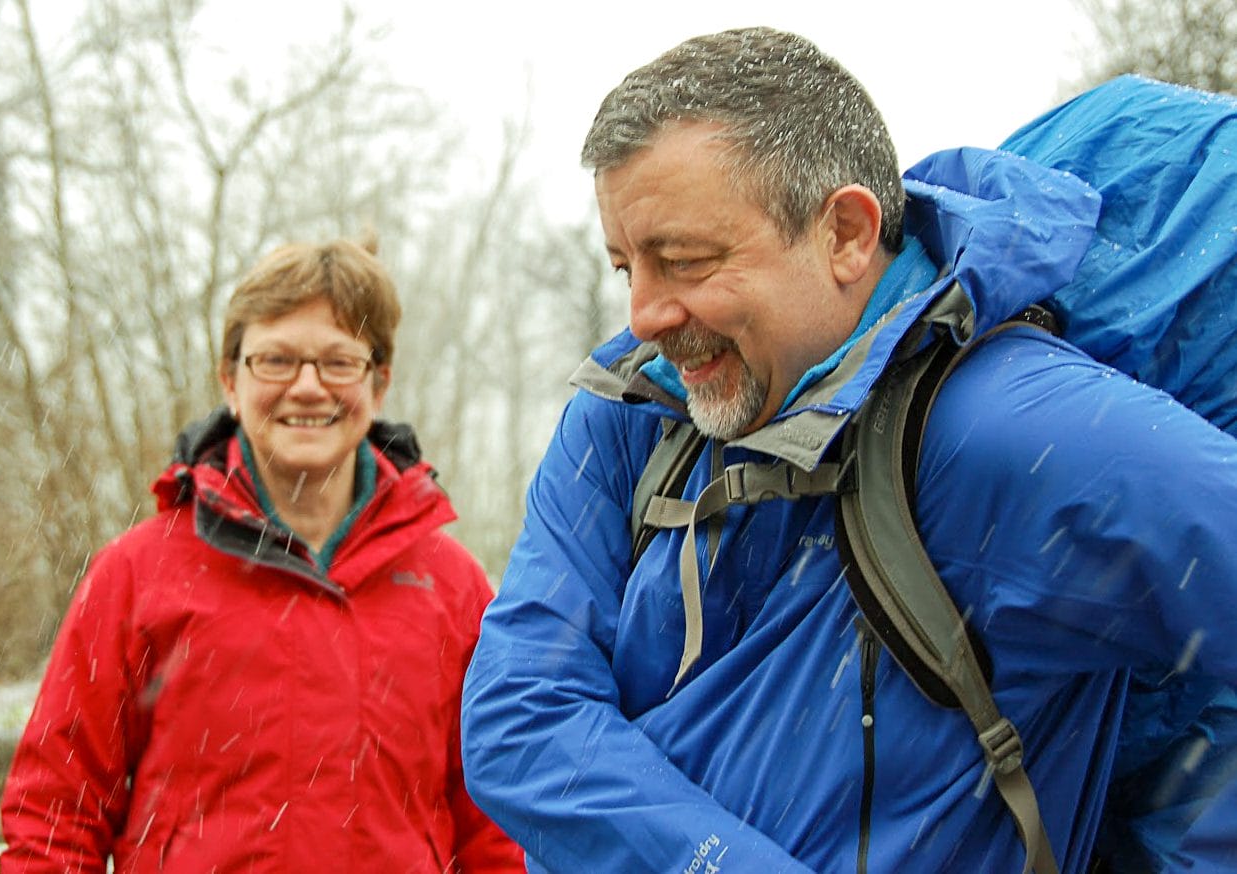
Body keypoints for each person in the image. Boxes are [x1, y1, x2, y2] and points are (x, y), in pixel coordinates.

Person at [459, 27, 1237, 873]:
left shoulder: (1007, 432)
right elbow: (519, 713)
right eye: (626, 268)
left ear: (847, 234)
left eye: (684, 261)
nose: (644, 316)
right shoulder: (633, 411)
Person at [0, 237, 524, 873]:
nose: (307, 388)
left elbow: (498, 830)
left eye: (338, 362)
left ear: (378, 383)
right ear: (231, 380)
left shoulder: (453, 587)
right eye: (275, 360)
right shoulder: (137, 574)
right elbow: (57, 815)